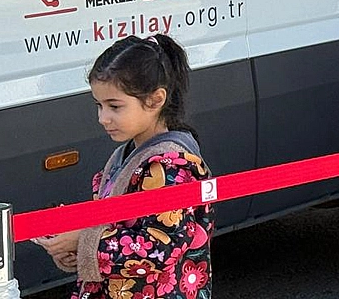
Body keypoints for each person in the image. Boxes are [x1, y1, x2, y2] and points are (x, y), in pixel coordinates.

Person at [35, 35, 213, 299]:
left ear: (155, 100)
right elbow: (117, 231)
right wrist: (73, 246)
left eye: (114, 106)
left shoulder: (170, 167)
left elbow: (158, 249)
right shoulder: (128, 154)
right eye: (99, 105)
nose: (103, 118)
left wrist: (82, 242)